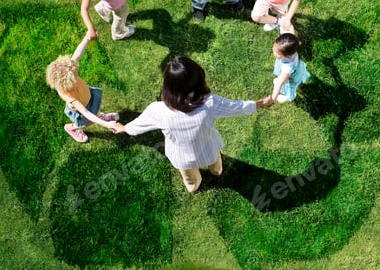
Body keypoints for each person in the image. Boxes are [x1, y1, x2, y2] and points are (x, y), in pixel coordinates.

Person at [112, 57, 272, 192]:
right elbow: (236, 107)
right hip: (208, 148)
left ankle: (194, 186)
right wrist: (258, 104)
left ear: (168, 87)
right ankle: (216, 172)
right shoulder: (210, 103)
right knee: (216, 167)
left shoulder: (158, 110)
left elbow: (140, 124)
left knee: (190, 181)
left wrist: (125, 128)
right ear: (198, 81)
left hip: (182, 157)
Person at [46, 32, 120, 143]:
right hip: (83, 110)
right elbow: (86, 113)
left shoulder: (68, 69)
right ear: (68, 83)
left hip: (88, 96)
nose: (77, 71)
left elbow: (77, 55)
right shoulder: (69, 95)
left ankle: (100, 115)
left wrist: (87, 37)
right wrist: (106, 124)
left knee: (97, 108)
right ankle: (72, 128)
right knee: (86, 122)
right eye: (75, 75)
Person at [264, 33, 310, 105]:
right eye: (274, 47)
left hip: (292, 76)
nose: (274, 53)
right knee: (279, 80)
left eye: (278, 54)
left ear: (287, 55)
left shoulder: (287, 68)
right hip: (297, 68)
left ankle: (289, 96)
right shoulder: (293, 44)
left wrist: (272, 99)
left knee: (289, 86)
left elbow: (279, 83)